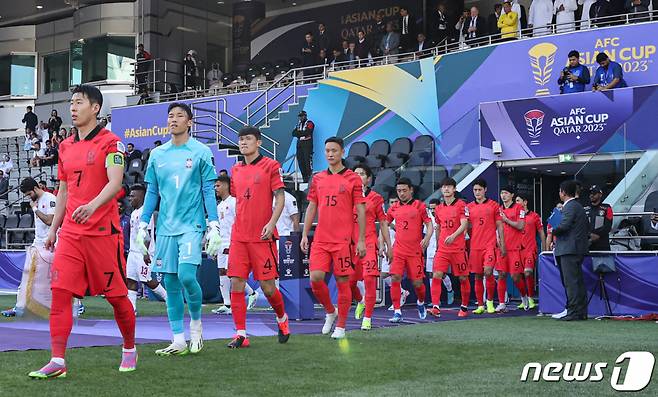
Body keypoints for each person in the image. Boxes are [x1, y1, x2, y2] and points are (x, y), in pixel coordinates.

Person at [28, 84, 136, 378]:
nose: (73, 108)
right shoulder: (65, 146)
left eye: (79, 102)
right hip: (72, 236)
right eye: (71, 103)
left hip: (103, 233)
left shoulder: (111, 143)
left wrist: (92, 205)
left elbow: (115, 184)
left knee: (116, 297)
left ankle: (129, 348)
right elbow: (63, 190)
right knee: (60, 292)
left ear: (96, 108)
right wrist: (54, 229)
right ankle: (58, 362)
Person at [136, 102, 221, 356]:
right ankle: (178, 340)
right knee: (170, 282)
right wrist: (143, 224)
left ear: (190, 122)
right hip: (165, 228)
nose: (173, 119)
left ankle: (196, 327)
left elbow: (208, 190)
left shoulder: (201, 152)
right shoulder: (158, 155)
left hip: (192, 225)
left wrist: (213, 223)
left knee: (186, 276)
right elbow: (152, 191)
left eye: (179, 116)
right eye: (170, 116)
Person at [226, 126, 291, 348]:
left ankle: (282, 318)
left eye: (248, 139)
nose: (243, 143)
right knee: (235, 282)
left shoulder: (271, 166)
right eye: (241, 139)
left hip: (262, 237)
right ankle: (241, 334)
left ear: (259, 143)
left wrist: (271, 223)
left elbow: (280, 198)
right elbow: (240, 198)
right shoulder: (235, 169)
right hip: (239, 237)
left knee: (268, 287)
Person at [301, 137, 366, 339]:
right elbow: (312, 206)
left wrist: (361, 239)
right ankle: (330, 311)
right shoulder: (318, 178)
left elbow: (360, 209)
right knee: (315, 279)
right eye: (327, 150)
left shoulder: (353, 179)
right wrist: (304, 233)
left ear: (342, 153)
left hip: (342, 241)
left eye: (334, 150)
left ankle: (341, 326)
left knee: (342, 282)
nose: (330, 154)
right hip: (320, 239)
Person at [1, 178, 56, 318]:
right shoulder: (36, 201)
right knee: (27, 274)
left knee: (58, 277)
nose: (28, 196)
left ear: (36, 188)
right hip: (38, 243)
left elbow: (50, 221)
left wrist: (35, 208)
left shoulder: (50, 199)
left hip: (53, 243)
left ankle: (77, 306)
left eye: (28, 193)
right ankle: (19, 307)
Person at [385, 177, 432, 323]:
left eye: (404, 190)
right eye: (399, 191)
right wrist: (383, 244)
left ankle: (420, 302)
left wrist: (427, 238)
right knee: (395, 278)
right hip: (398, 250)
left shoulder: (420, 206)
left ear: (411, 190)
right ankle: (397, 311)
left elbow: (429, 224)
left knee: (418, 284)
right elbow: (384, 225)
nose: (401, 193)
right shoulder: (393, 208)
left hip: (415, 251)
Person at [350, 164, 392, 331]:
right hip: (351, 246)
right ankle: (360, 301)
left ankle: (367, 318)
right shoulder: (346, 196)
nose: (358, 176)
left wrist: (388, 245)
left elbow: (383, 222)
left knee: (369, 280)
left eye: (361, 174)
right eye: (355, 174)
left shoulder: (376, 198)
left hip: (368, 244)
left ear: (368, 179)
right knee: (350, 283)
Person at [211, 176, 259, 316]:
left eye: (218, 186)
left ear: (226, 186)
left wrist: (237, 241)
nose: (216, 189)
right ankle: (227, 303)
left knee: (231, 273)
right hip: (221, 242)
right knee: (222, 272)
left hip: (232, 241)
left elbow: (241, 221)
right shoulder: (219, 206)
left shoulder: (234, 202)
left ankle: (252, 293)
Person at [430, 178, 470, 317]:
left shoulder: (461, 205)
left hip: (458, 248)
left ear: (454, 189)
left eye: (449, 187)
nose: (446, 189)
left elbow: (464, 224)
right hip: (443, 249)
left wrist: (453, 236)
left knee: (463, 278)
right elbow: (438, 227)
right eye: (444, 187)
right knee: (436, 275)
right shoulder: (439, 208)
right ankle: (435, 307)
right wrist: (437, 245)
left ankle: (464, 307)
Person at [126, 184, 168, 313]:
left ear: (141, 197)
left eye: (133, 196)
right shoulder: (134, 213)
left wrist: (145, 253)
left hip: (143, 252)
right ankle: (132, 309)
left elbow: (148, 235)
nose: (130, 198)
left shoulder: (146, 213)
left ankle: (169, 299)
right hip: (133, 252)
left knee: (148, 280)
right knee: (131, 280)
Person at [551, 180, 590, 321]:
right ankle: (579, 311)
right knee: (576, 281)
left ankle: (573, 311)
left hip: (569, 250)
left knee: (571, 282)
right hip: (574, 249)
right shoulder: (576, 206)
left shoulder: (571, 206)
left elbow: (564, 226)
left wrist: (553, 229)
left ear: (563, 192)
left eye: (560, 191)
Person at [467, 178, 506, 315]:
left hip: (489, 245)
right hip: (475, 246)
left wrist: (502, 244)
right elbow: (466, 226)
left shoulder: (494, 205)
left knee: (488, 272)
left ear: (485, 190)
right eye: (475, 190)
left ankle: (490, 302)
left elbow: (500, 226)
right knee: (477, 276)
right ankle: (480, 305)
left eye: (479, 190)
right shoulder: (469, 207)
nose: (477, 192)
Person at [495, 186, 526, 313]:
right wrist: (498, 241)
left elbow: (520, 225)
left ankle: (524, 297)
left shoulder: (519, 208)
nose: (503, 195)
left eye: (506, 193)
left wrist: (506, 219)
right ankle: (502, 303)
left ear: (512, 195)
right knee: (501, 275)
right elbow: (496, 227)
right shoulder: (499, 209)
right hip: (502, 248)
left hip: (515, 249)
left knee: (515, 277)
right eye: (502, 193)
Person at [515, 194, 546, 310]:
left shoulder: (534, 216)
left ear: (525, 202)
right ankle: (524, 298)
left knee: (528, 272)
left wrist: (544, 249)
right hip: (517, 250)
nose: (516, 203)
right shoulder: (514, 217)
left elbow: (541, 232)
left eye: (518, 200)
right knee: (517, 276)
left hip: (530, 249)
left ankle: (531, 298)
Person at [425, 199, 455, 306]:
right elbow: (426, 235)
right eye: (431, 208)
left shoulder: (443, 217)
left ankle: (450, 290)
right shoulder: (427, 219)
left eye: (434, 208)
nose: (433, 210)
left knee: (442, 274)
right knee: (430, 274)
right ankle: (435, 300)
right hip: (430, 250)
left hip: (442, 249)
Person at [584, 185, 613, 251]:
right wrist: (590, 235)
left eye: (594, 193)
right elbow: (582, 225)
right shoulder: (585, 209)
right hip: (588, 245)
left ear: (600, 194)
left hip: (602, 245)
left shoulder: (607, 208)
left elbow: (608, 226)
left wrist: (597, 235)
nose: (591, 195)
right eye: (590, 193)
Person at [292, 111, 314, 183]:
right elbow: (293, 133)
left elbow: (308, 132)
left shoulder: (310, 123)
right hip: (299, 145)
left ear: (305, 116)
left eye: (302, 116)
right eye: (300, 116)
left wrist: (299, 134)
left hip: (307, 145)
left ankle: (310, 178)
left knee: (307, 161)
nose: (301, 117)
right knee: (301, 162)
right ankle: (305, 178)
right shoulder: (298, 124)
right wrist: (302, 134)